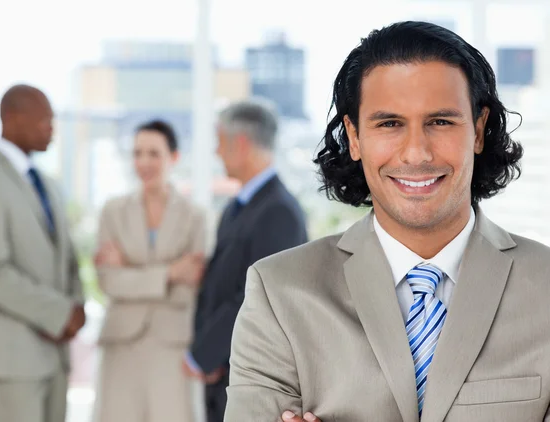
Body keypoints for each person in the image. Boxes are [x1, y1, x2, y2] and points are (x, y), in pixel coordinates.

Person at [225, 21, 550, 422]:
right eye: (390, 124)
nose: (416, 153)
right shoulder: (279, 292)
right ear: (355, 136)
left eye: (441, 121)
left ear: (479, 131)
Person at [0, 84, 85, 422]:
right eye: (44, 120)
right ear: (11, 118)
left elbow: (68, 257)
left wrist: (76, 306)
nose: (51, 128)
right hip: (9, 359)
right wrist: (58, 313)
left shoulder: (48, 183)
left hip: (54, 356)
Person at [183, 99, 308, 422]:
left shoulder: (278, 211)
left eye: (219, 142)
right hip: (226, 373)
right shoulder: (237, 207)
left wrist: (206, 356)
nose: (216, 153)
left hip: (250, 379)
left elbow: (257, 299)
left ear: (240, 144)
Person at [93, 120, 207, 422]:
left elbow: (192, 282)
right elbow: (109, 281)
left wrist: (131, 269)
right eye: (137, 153)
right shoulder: (112, 211)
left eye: (153, 153)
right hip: (121, 343)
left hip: (171, 345)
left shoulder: (195, 216)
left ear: (174, 157)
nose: (144, 162)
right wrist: (170, 273)